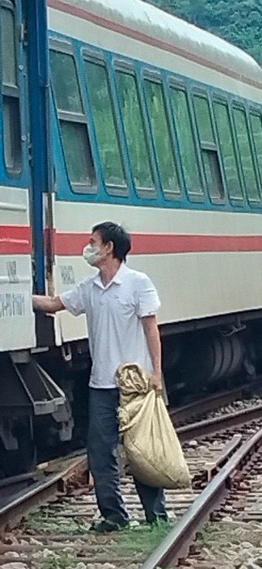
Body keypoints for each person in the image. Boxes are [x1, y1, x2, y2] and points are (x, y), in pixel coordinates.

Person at [32, 222, 167, 532]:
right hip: (101, 384)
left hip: (135, 384)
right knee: (100, 450)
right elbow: (54, 304)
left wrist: (157, 374)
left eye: (93, 242)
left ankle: (156, 515)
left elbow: (151, 329)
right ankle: (113, 515)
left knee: (142, 450)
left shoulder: (138, 283)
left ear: (109, 248)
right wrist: (17, 296)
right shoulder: (90, 288)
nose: (88, 246)